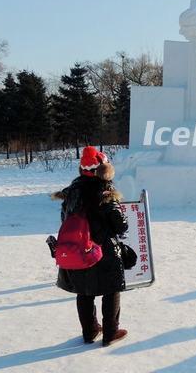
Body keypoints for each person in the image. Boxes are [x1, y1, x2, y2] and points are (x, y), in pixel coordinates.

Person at [54, 146, 129, 346]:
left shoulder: (71, 192)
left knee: (84, 292)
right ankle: (110, 333)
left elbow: (65, 219)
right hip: (103, 250)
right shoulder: (105, 192)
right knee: (111, 290)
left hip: (78, 250)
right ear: (103, 170)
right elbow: (121, 225)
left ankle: (90, 331)